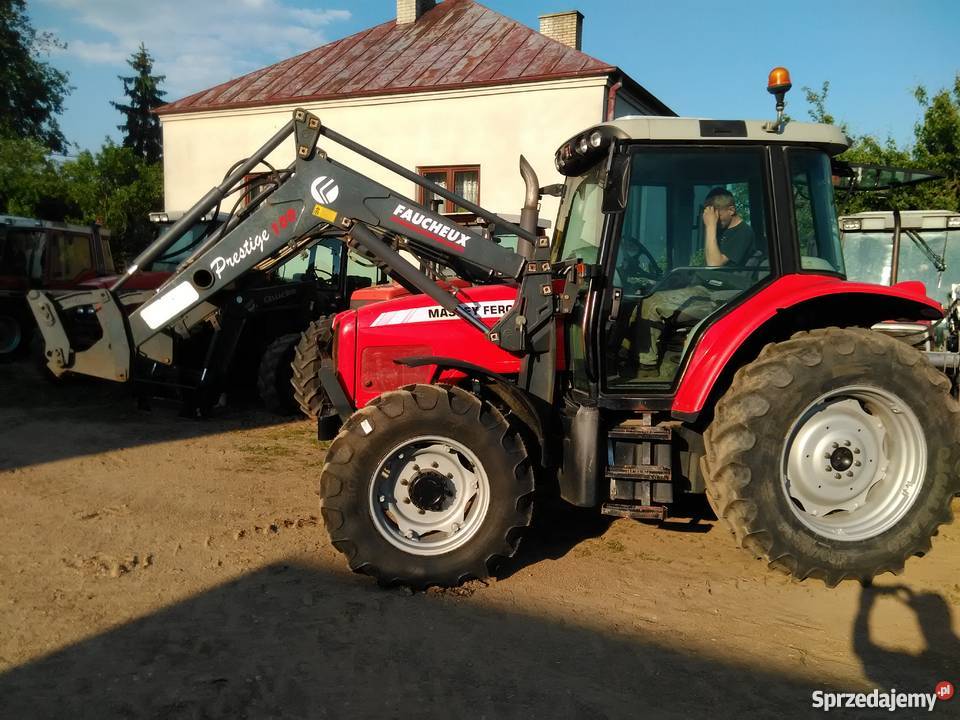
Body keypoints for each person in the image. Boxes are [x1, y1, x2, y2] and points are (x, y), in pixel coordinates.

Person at [628, 188, 755, 375]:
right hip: (707, 287)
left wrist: (710, 227)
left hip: (721, 297)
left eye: (716, 218)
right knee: (641, 298)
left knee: (650, 303)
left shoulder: (743, 232)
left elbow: (714, 264)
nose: (715, 223)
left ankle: (647, 368)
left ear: (731, 210)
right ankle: (630, 354)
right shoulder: (724, 230)